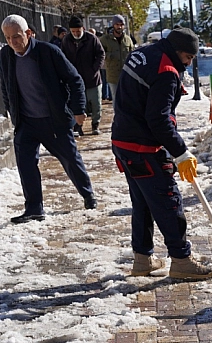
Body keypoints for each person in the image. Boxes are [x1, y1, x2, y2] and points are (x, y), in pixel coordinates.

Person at [111, 27, 212, 279]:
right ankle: (181, 260)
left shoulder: (143, 53)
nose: (188, 64)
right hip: (143, 148)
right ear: (177, 51)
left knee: (143, 203)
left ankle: (142, 259)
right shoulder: (166, 71)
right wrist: (181, 152)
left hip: (123, 141)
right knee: (169, 201)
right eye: (188, 58)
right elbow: (158, 119)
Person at [0, 14, 97, 224]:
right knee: (26, 164)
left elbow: (74, 80)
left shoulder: (48, 52)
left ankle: (88, 194)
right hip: (26, 121)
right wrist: (12, 111)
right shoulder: (5, 55)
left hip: (53, 120)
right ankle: (34, 208)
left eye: (16, 36)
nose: (12, 42)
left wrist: (78, 109)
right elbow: (6, 86)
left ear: (28, 33)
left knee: (70, 159)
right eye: (7, 38)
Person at [62, 16, 105, 136]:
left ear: (83, 28)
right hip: (76, 79)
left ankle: (95, 124)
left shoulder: (92, 39)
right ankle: (78, 126)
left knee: (96, 104)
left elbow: (101, 54)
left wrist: (94, 69)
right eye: (73, 31)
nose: (76, 33)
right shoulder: (66, 40)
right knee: (79, 104)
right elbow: (63, 57)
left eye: (78, 31)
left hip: (93, 79)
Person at [99, 15, 134, 102]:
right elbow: (100, 53)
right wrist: (111, 55)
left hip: (126, 74)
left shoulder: (128, 39)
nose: (119, 27)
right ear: (113, 25)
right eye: (117, 24)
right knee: (116, 99)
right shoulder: (105, 39)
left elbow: (132, 54)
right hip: (113, 75)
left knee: (127, 99)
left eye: (121, 25)